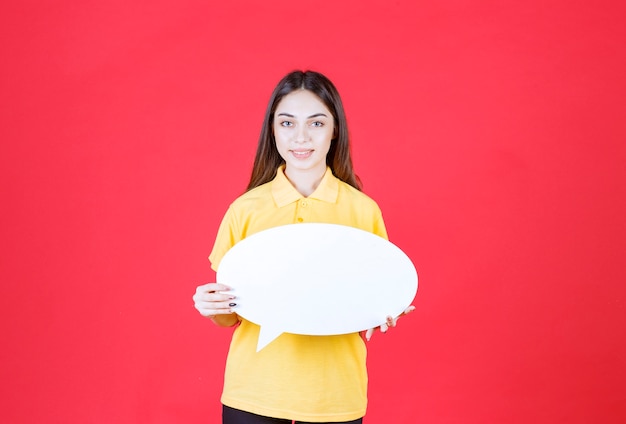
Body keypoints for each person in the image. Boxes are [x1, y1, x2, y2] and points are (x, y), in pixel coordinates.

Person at [193, 70, 414, 424]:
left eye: (316, 123)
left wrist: (387, 308)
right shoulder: (245, 209)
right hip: (255, 391)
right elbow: (230, 315)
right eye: (287, 123)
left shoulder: (362, 210)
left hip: (336, 394)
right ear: (273, 130)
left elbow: (368, 298)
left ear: (334, 129)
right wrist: (211, 305)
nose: (300, 137)